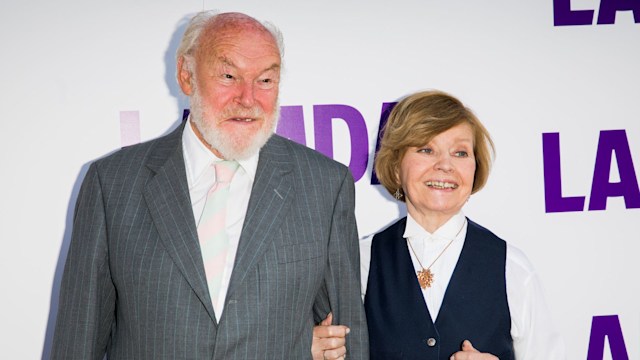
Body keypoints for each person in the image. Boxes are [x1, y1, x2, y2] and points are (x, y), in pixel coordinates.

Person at [52, 11, 368, 359]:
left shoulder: (324, 185)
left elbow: (347, 339)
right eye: (229, 76)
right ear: (186, 76)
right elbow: (78, 341)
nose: (248, 99)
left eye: (265, 80)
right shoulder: (111, 184)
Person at [312, 90, 565, 360]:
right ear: (397, 167)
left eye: (460, 152)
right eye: (426, 149)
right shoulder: (359, 262)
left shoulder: (512, 267)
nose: (445, 165)